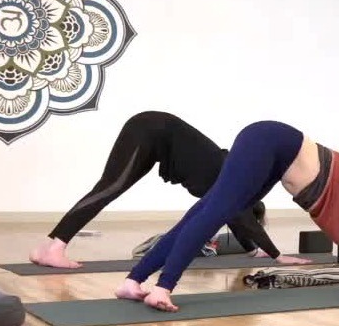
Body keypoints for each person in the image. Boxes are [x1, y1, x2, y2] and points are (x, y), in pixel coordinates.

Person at [117, 119, 339, 312]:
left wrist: (276, 255)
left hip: (277, 160)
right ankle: (163, 288)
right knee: (213, 214)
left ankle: (134, 280)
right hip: (273, 142)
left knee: (204, 212)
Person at [29, 111, 283, 269]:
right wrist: (274, 254)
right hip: (151, 128)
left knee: (108, 187)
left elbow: (239, 221)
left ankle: (48, 247)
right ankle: (56, 248)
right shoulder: (233, 184)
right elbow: (242, 219)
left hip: (153, 135)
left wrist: (254, 250)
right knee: (109, 187)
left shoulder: (229, 178)